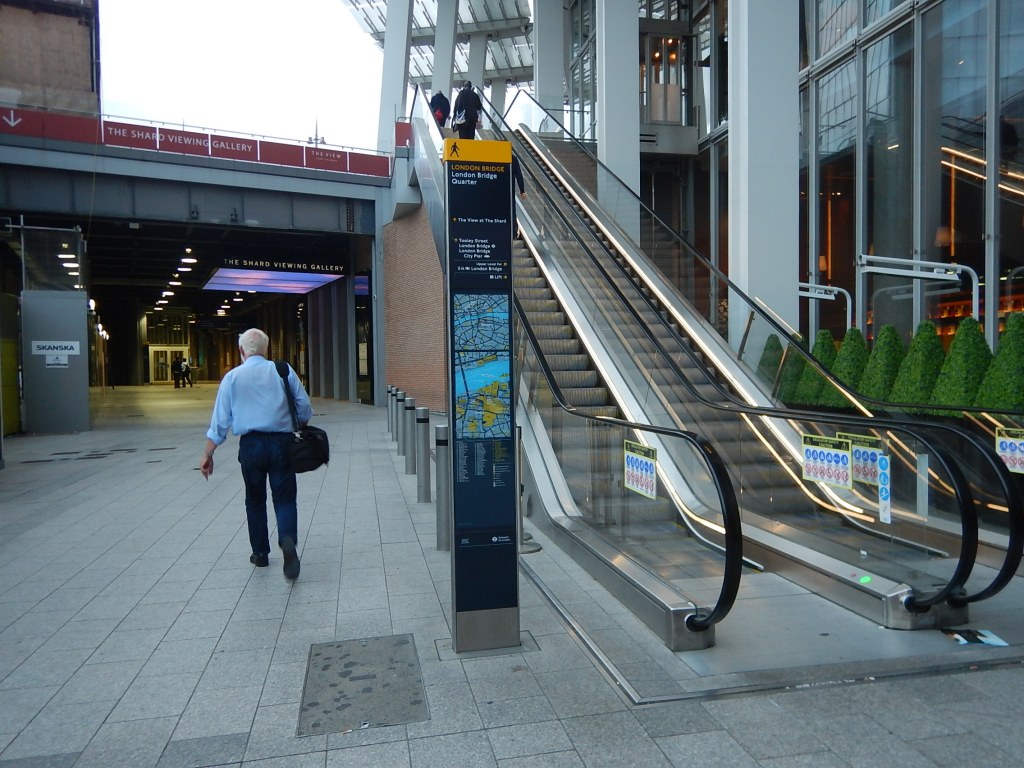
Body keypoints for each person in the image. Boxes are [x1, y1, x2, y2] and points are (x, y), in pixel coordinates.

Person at [200, 328, 311, 580]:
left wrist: (208, 453)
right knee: (284, 498)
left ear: (241, 350)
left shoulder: (232, 378)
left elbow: (220, 421)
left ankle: (260, 553)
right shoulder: (282, 370)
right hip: (282, 444)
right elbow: (304, 406)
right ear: (266, 349)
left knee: (254, 499)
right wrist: (301, 423)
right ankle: (287, 539)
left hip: (251, 446)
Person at [512, 153, 527, 238]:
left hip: (498, 191)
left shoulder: (496, 156)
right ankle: (514, 233)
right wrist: (522, 191)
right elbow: (519, 175)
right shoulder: (512, 158)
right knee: (512, 211)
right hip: (509, 191)